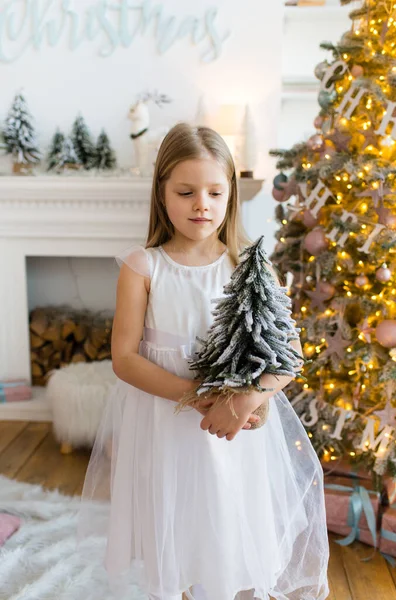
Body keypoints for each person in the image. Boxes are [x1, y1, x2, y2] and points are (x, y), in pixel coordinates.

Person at [77, 122, 330, 600]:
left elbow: (288, 356)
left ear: (231, 194)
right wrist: (200, 397)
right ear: (162, 192)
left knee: (225, 523)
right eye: (186, 191)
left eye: (215, 192)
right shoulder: (142, 266)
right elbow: (125, 359)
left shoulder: (250, 267)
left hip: (234, 433)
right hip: (165, 423)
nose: (202, 205)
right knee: (174, 527)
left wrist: (245, 400)